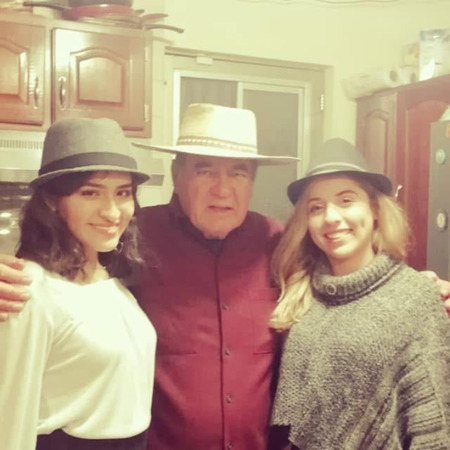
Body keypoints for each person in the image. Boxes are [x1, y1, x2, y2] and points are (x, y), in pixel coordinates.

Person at [0, 105, 449, 450]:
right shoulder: (129, 236)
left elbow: (351, 284)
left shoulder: (280, 243)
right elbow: (56, 271)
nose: (222, 188)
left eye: (238, 172)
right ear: (177, 175)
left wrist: (420, 295)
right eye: (204, 170)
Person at [269, 138, 450, 449]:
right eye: (316, 207)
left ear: (375, 209)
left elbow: (433, 426)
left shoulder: (415, 298)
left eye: (346, 200)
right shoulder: (299, 289)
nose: (330, 217)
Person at [0, 118, 157, 450]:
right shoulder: (30, 289)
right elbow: (9, 417)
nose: (112, 212)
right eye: (90, 192)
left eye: (123, 193)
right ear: (52, 201)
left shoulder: (113, 282)